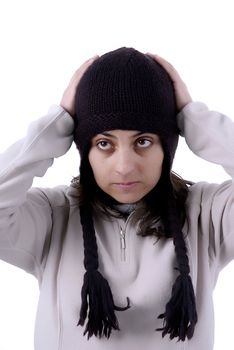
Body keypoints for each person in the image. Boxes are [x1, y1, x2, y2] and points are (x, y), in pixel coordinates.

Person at [0, 47, 233, 350]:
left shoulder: (208, 215)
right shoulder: (51, 218)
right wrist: (57, 124)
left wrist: (195, 119)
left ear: (168, 147)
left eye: (144, 141)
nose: (124, 166)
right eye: (104, 143)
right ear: (84, 150)